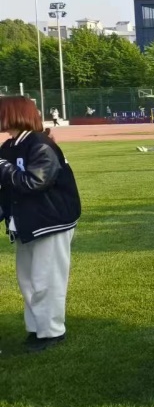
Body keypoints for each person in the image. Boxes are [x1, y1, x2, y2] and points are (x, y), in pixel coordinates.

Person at [0, 97, 81, 353]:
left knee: (47, 280)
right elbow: (7, 189)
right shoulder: (10, 146)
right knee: (28, 281)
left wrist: (2, 167)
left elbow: (35, 182)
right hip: (26, 221)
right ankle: (37, 329)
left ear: (14, 114)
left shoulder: (40, 145)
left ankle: (52, 332)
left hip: (50, 220)